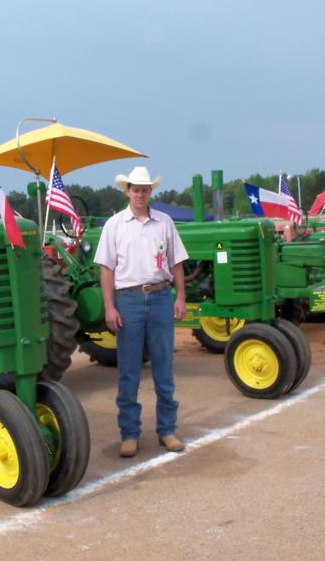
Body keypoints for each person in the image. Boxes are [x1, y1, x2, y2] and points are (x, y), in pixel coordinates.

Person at [94, 166, 188, 458]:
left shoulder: (165, 222)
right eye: (135, 189)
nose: (140, 194)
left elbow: (176, 263)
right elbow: (106, 269)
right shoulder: (114, 225)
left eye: (145, 189)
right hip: (129, 300)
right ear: (127, 191)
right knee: (130, 370)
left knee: (163, 366)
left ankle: (167, 430)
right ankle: (130, 433)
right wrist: (109, 306)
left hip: (160, 296)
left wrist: (180, 297)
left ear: (150, 192)